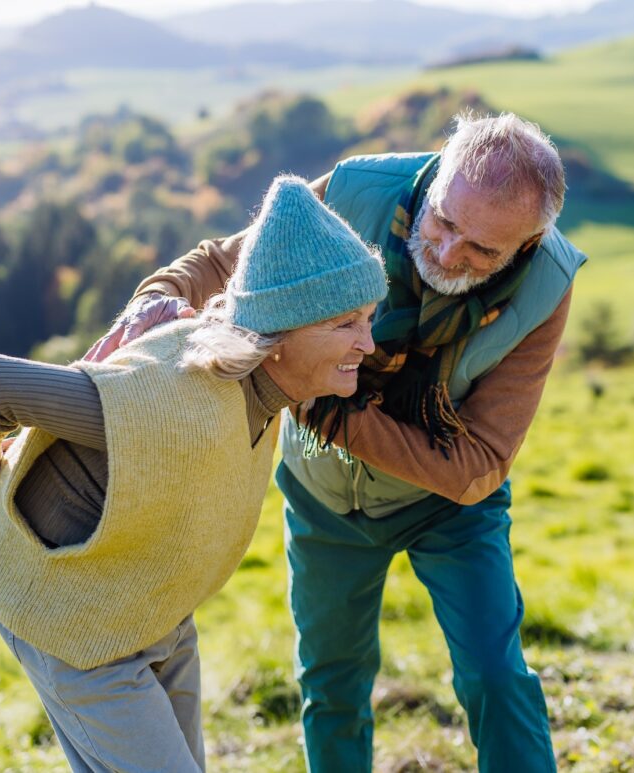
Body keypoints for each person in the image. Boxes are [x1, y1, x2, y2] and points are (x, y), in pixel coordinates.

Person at [92, 112, 586, 772]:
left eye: (482, 251)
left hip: (450, 509)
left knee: (496, 677)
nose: (447, 254)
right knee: (332, 685)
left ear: (524, 246)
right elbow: (223, 260)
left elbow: (478, 468)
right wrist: (152, 302)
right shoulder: (355, 191)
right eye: (444, 223)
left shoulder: (548, 282)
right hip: (325, 498)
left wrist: (330, 411)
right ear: (437, 174)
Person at [0, 175, 387, 772]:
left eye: (368, 318)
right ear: (279, 337)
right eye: (345, 324)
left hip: (153, 611)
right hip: (71, 624)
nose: (368, 342)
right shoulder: (166, 403)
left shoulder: (266, 396)